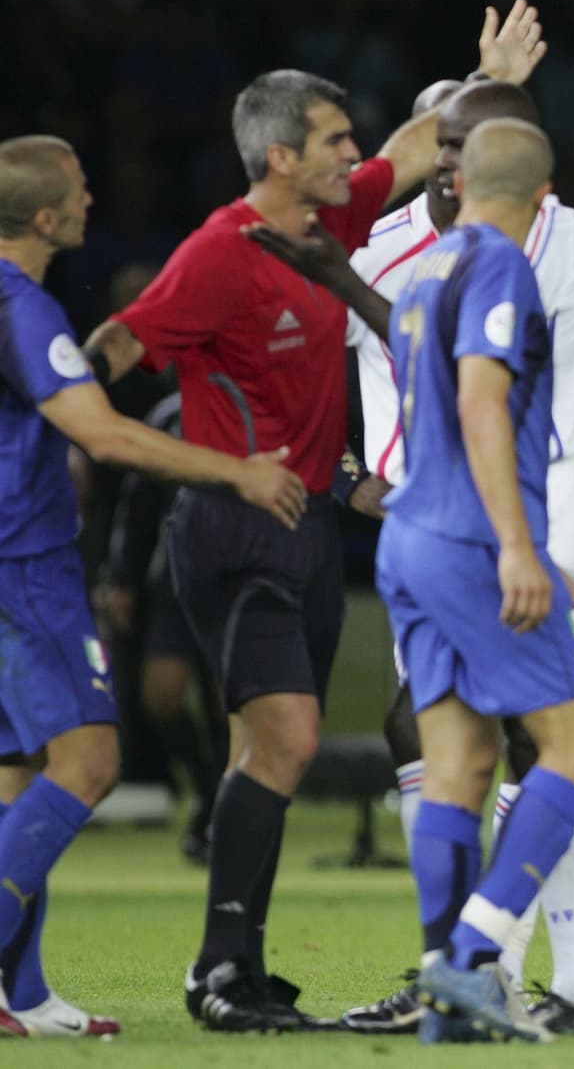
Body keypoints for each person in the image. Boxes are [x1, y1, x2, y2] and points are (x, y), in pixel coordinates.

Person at [81, 1, 548, 1032]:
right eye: (335, 141)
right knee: (286, 739)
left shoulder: (328, 223)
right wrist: (60, 406)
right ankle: (218, 972)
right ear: (283, 155)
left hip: (303, 526)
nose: (356, 156)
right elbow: (120, 342)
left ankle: (240, 967)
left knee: (280, 748)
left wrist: (483, 72)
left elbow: (405, 149)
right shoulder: (218, 251)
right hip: (231, 527)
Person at [329, 78, 574, 1037]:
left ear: (455, 179)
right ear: (544, 192)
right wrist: (518, 542)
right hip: (483, 534)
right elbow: (480, 404)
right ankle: (477, 954)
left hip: (409, 541)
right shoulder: (506, 266)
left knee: (458, 761)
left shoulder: (420, 268)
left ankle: (447, 992)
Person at [0, 134, 304, 1038]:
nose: (95, 197)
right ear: (48, 217)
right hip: (25, 565)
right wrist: (237, 471)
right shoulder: (22, 311)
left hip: (17, 557)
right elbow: (107, 435)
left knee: (19, 780)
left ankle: (22, 995)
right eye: (82, 189)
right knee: (89, 762)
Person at [102, 391, 226, 864]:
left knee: (228, 704)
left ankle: (217, 807)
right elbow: (136, 506)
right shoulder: (167, 414)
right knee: (162, 696)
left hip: (232, 582)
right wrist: (123, 578)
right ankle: (202, 783)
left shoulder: (248, 405)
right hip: (172, 582)